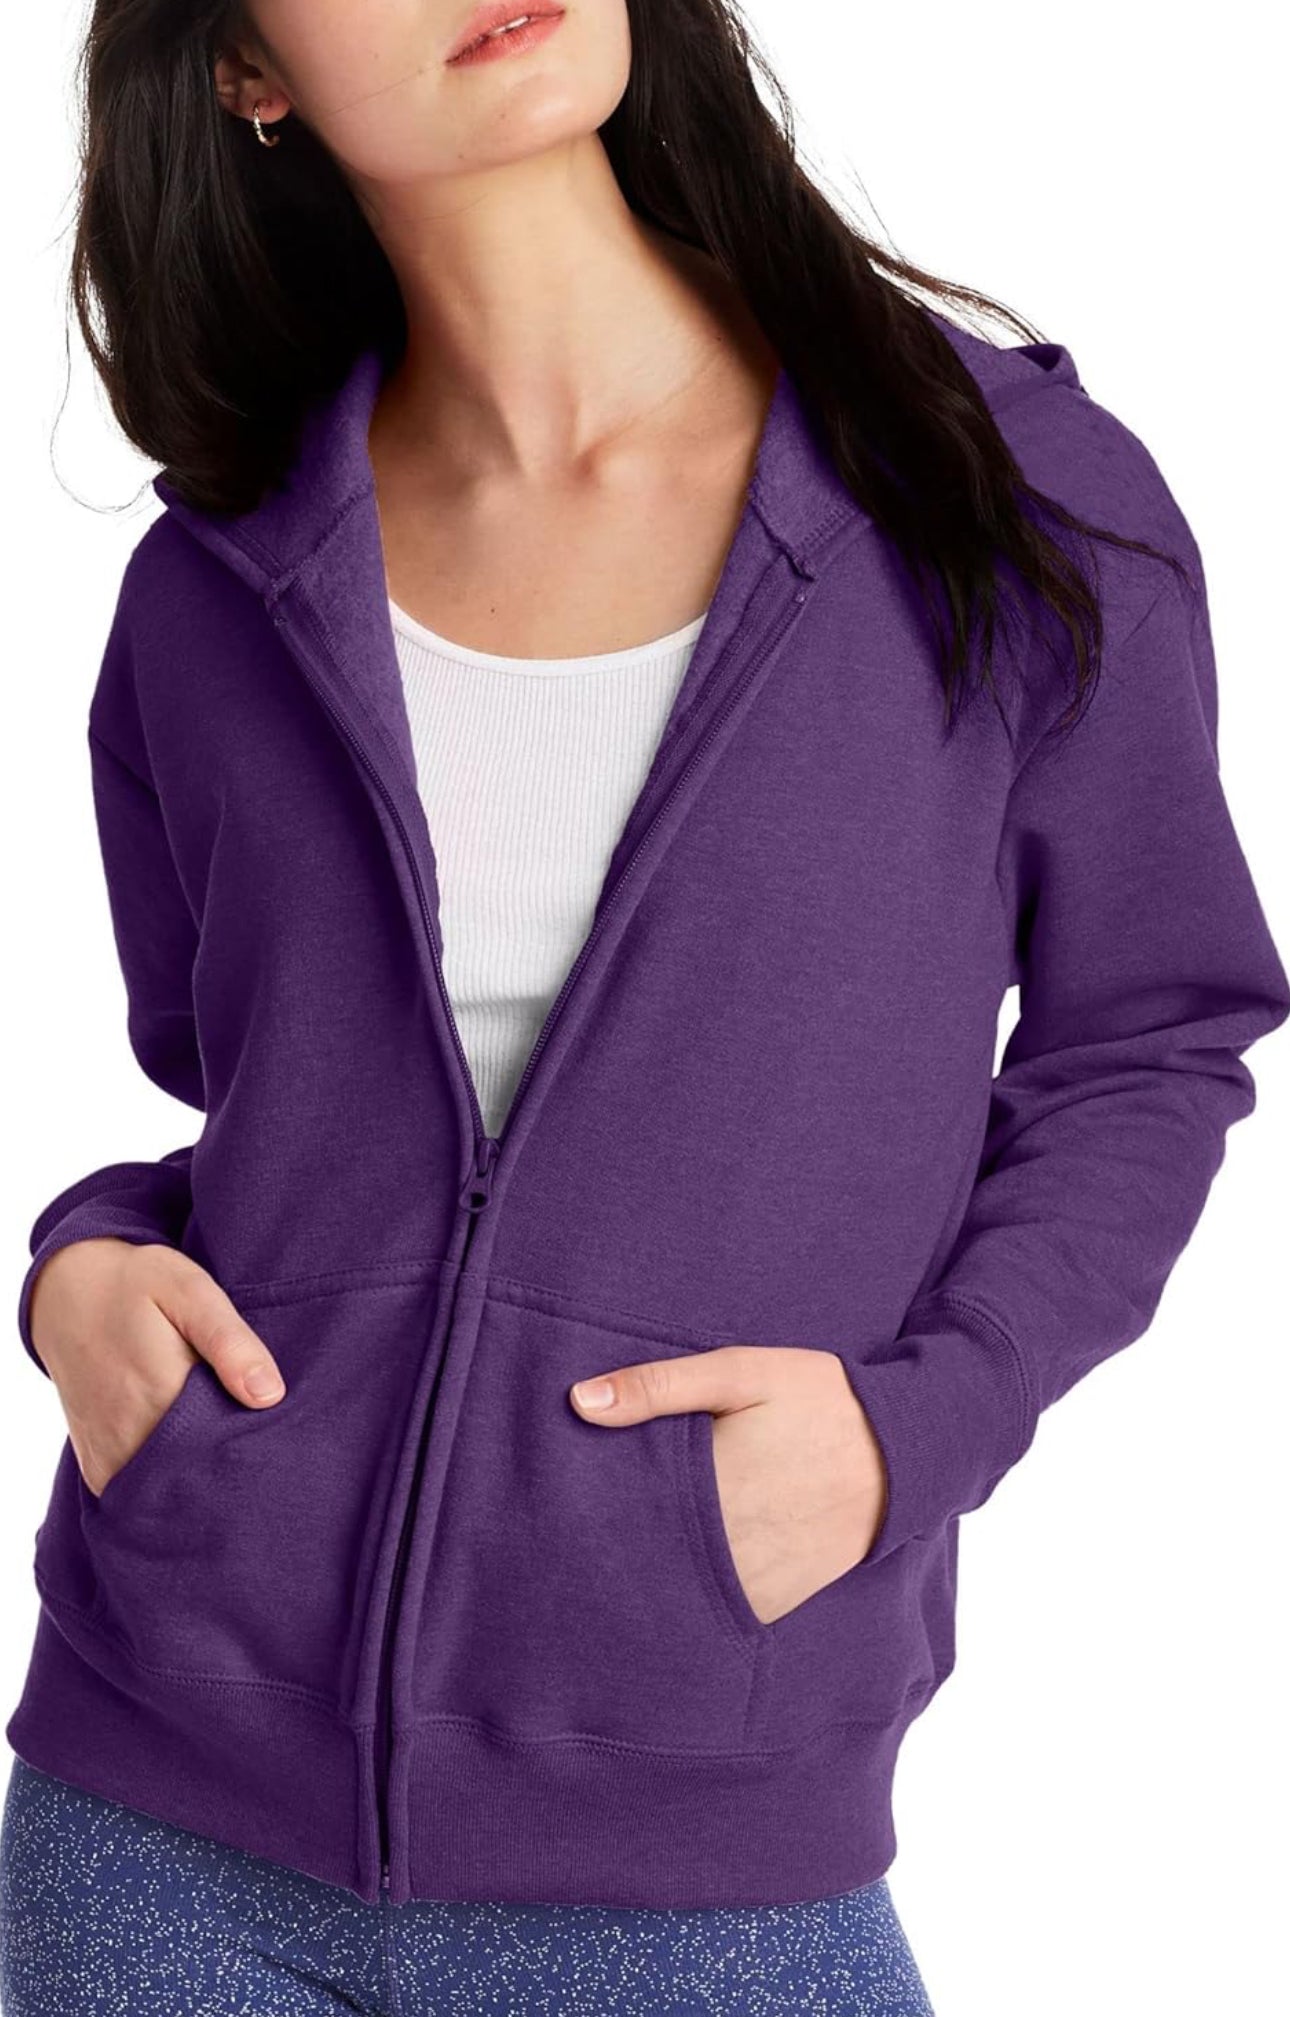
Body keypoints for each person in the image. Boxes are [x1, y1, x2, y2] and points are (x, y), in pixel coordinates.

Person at [2, 1, 1288, 2011]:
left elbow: (1148, 1039)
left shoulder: (995, 489)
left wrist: (911, 1430)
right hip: (155, 1837)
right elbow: (255, 1105)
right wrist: (81, 1265)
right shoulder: (216, 582)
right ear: (243, 68)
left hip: (703, 1838)